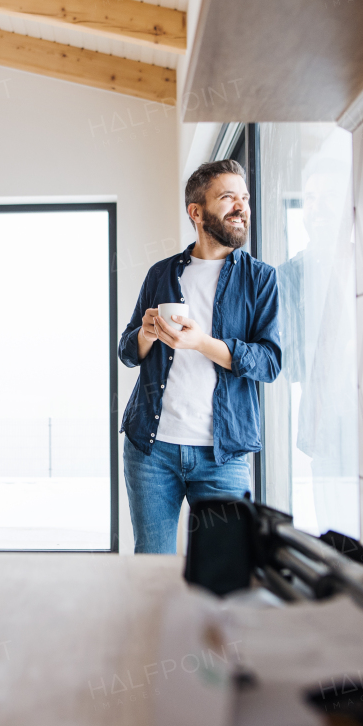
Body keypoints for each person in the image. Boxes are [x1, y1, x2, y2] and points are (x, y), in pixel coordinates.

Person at [118, 159, 282, 553]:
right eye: (228, 198)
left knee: (224, 568)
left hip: (222, 455)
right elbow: (127, 351)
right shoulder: (162, 274)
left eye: (243, 198)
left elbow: (269, 363)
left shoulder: (261, 278)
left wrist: (201, 343)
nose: (241, 206)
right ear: (196, 212)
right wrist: (146, 333)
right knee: (152, 563)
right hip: (151, 450)